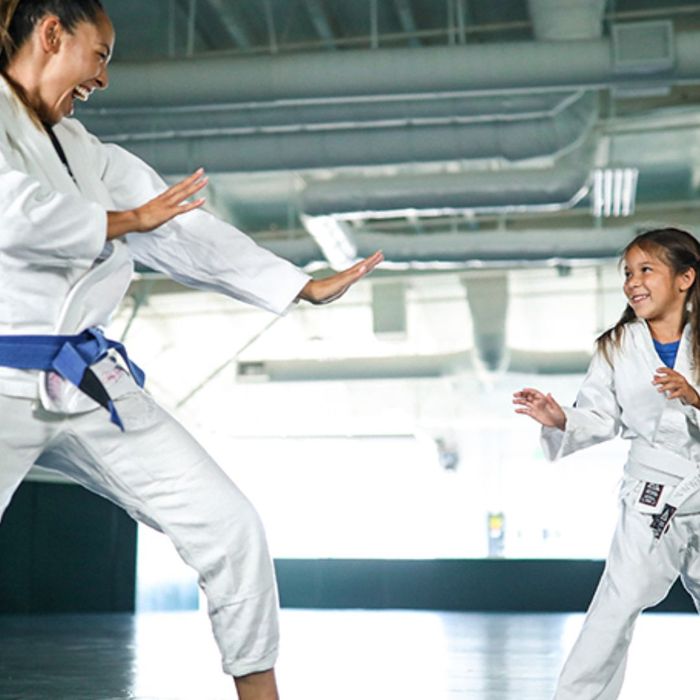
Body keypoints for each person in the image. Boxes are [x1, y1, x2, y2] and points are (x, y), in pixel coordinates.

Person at [0, 1, 383, 698]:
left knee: (230, 526)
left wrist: (299, 285)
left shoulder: (93, 158)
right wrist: (123, 221)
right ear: (52, 32)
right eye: (101, 53)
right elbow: (11, 213)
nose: (104, 78)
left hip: (87, 381)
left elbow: (180, 231)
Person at [513, 227, 700, 699]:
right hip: (651, 494)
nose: (633, 282)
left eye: (646, 270)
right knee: (616, 604)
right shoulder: (617, 345)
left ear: (685, 278)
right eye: (628, 273)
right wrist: (560, 418)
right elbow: (599, 416)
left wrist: (695, 398)